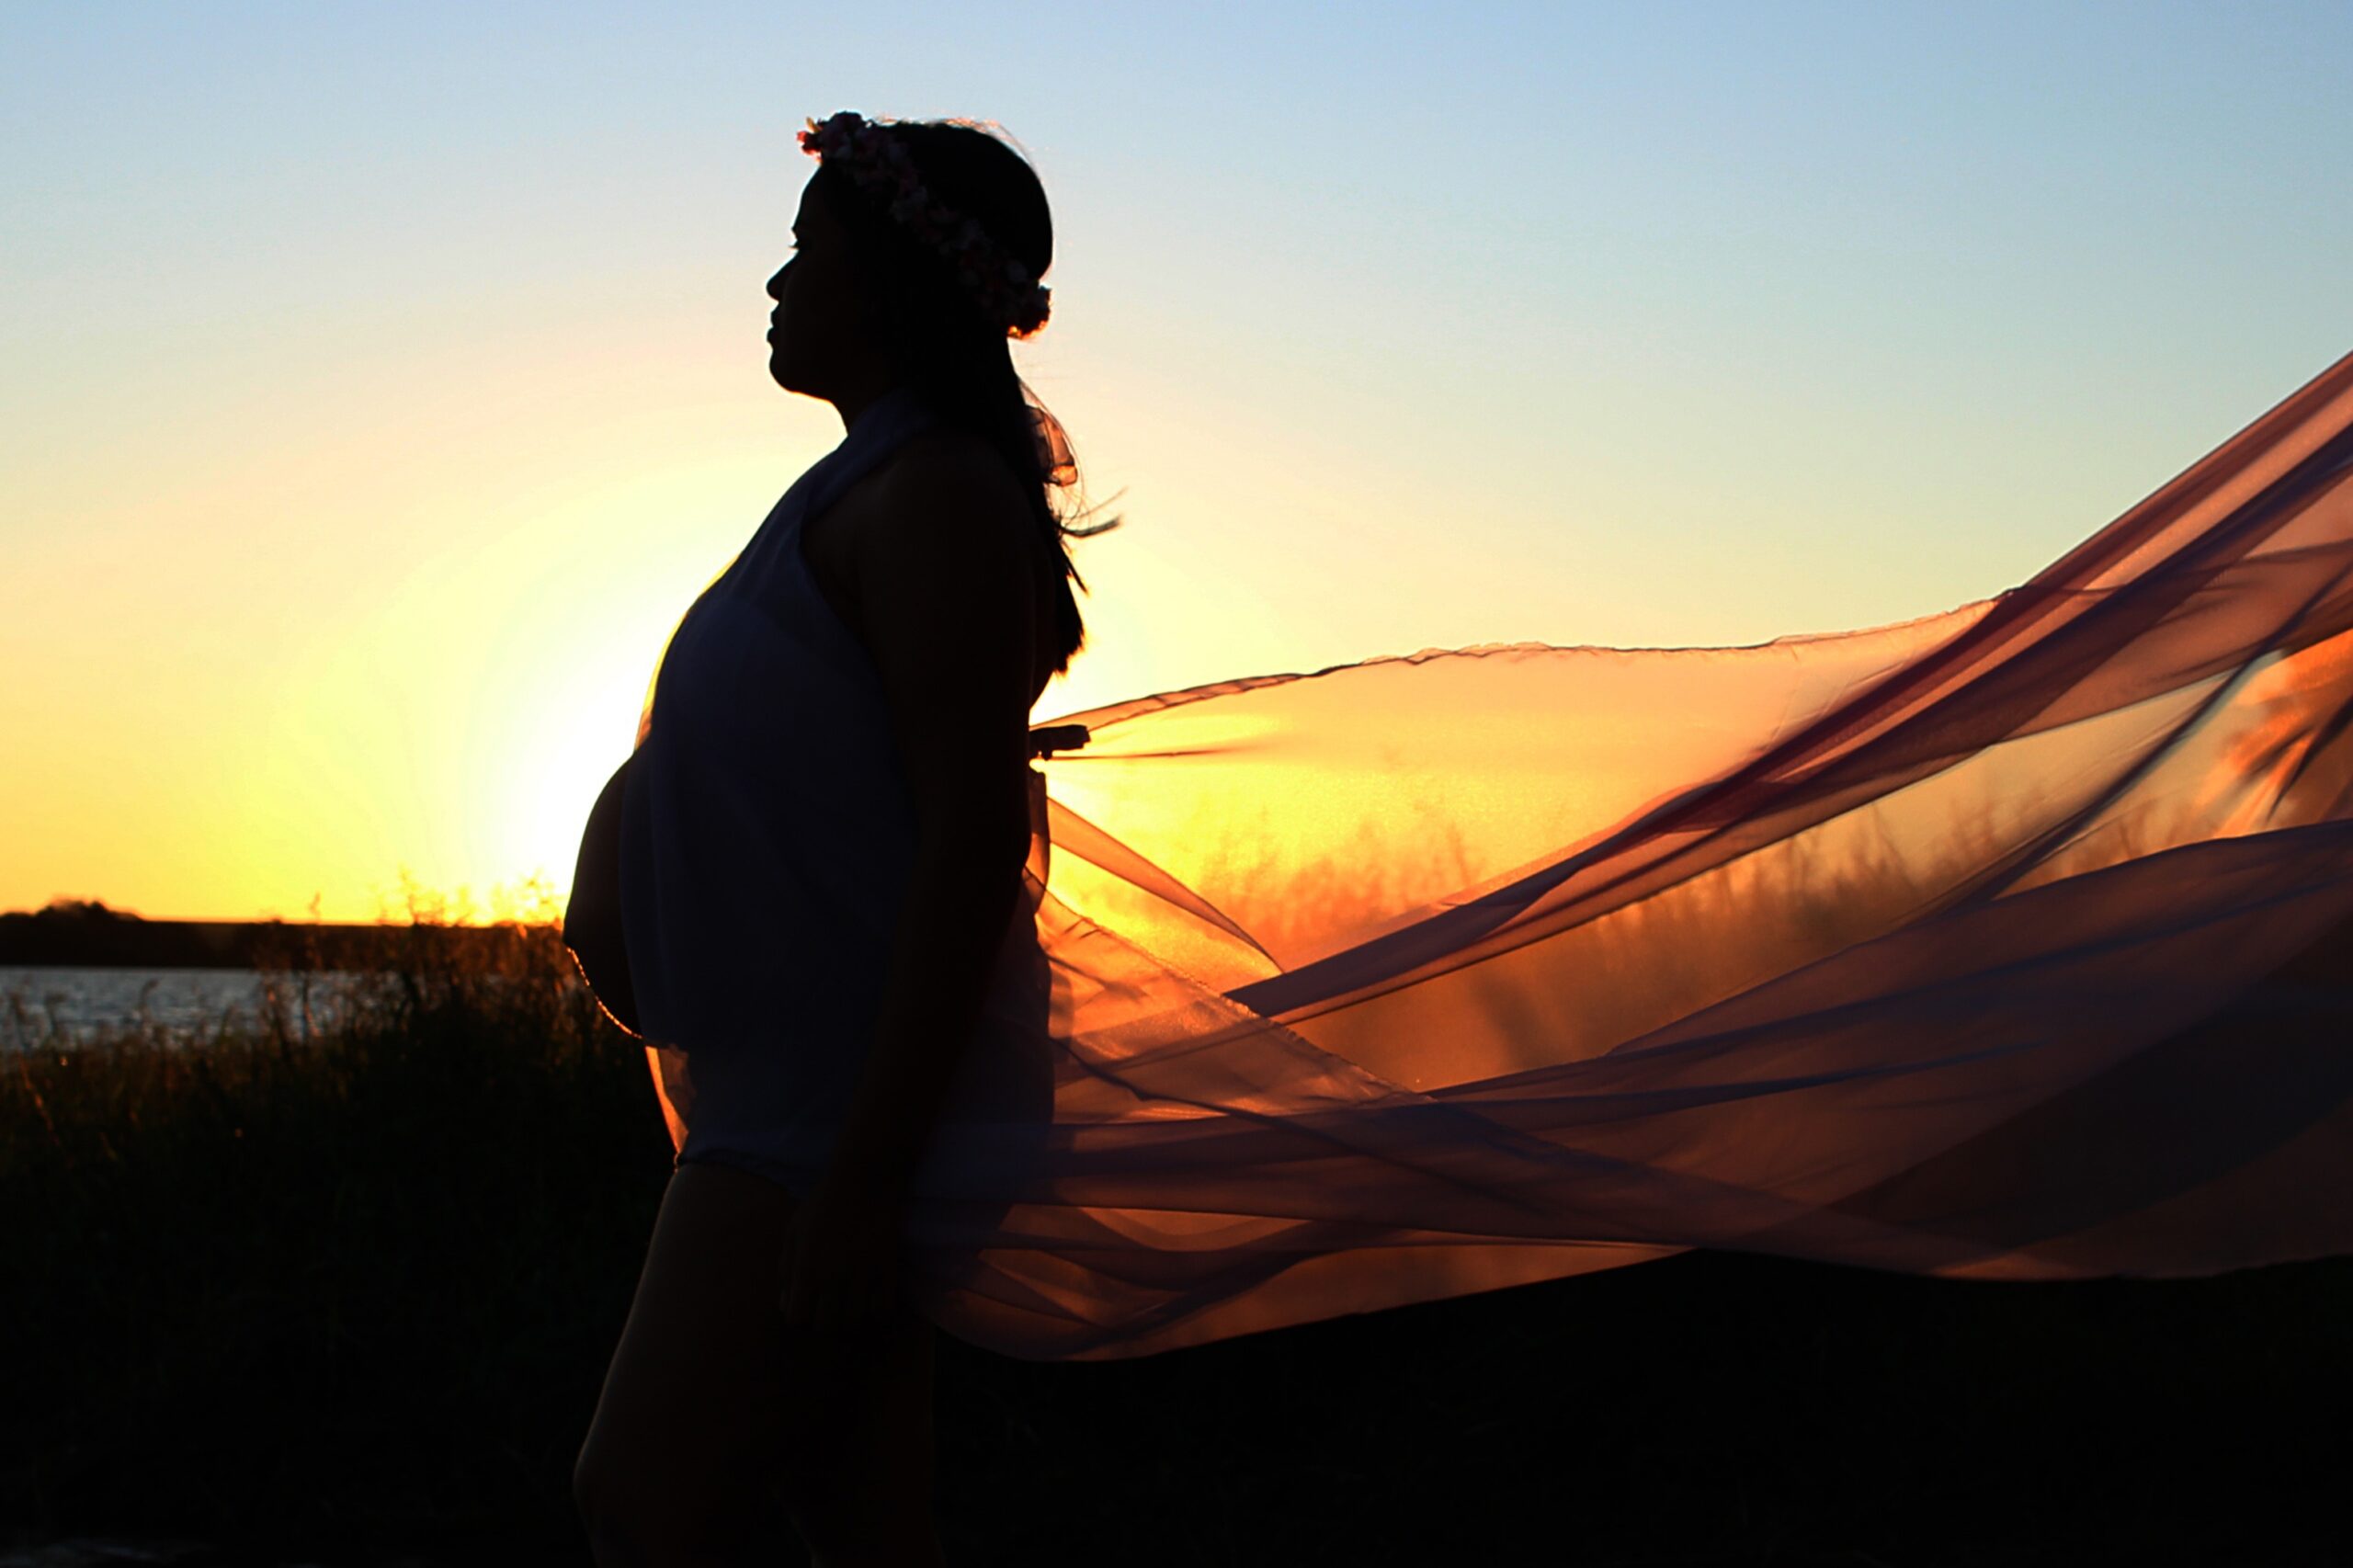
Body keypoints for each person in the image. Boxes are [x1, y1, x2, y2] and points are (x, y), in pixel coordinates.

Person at [569, 110, 1110, 1567]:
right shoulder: (874, 482)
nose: (775, 281)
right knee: (846, 1527)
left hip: (822, 1126)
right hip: (790, 1113)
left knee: (645, 1503)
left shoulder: (932, 496)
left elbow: (970, 839)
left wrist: (868, 1171)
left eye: (808, 248)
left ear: (888, 278)